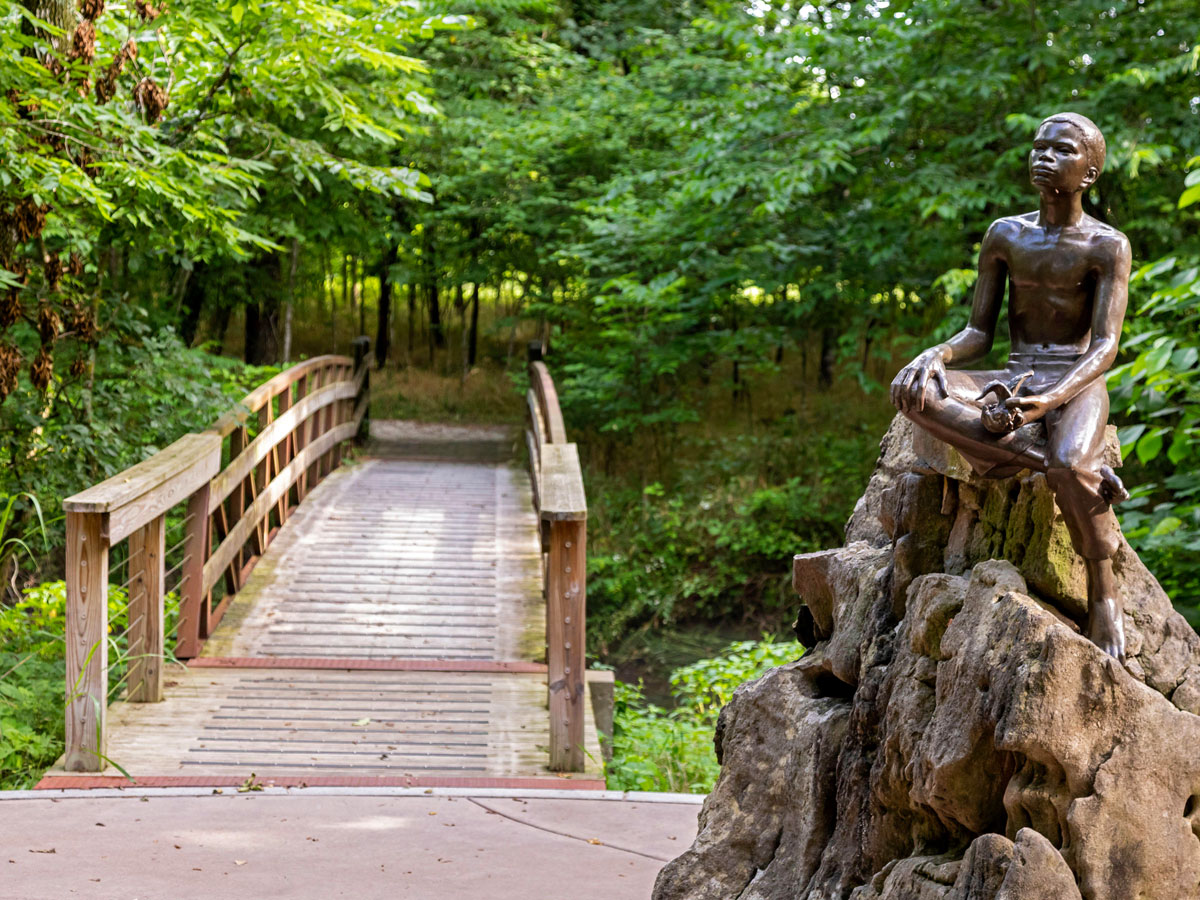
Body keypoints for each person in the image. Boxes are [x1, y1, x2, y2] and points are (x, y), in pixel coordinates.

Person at [891, 112, 1131, 662]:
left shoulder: (1107, 245)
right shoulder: (1005, 234)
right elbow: (979, 332)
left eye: (1062, 150)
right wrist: (938, 353)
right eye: (1039, 147)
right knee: (914, 390)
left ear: (1089, 174)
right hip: (1012, 371)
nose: (1043, 157)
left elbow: (1104, 348)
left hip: (1072, 378)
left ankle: (1104, 593)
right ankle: (1051, 458)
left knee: (1070, 467)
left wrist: (1045, 401)